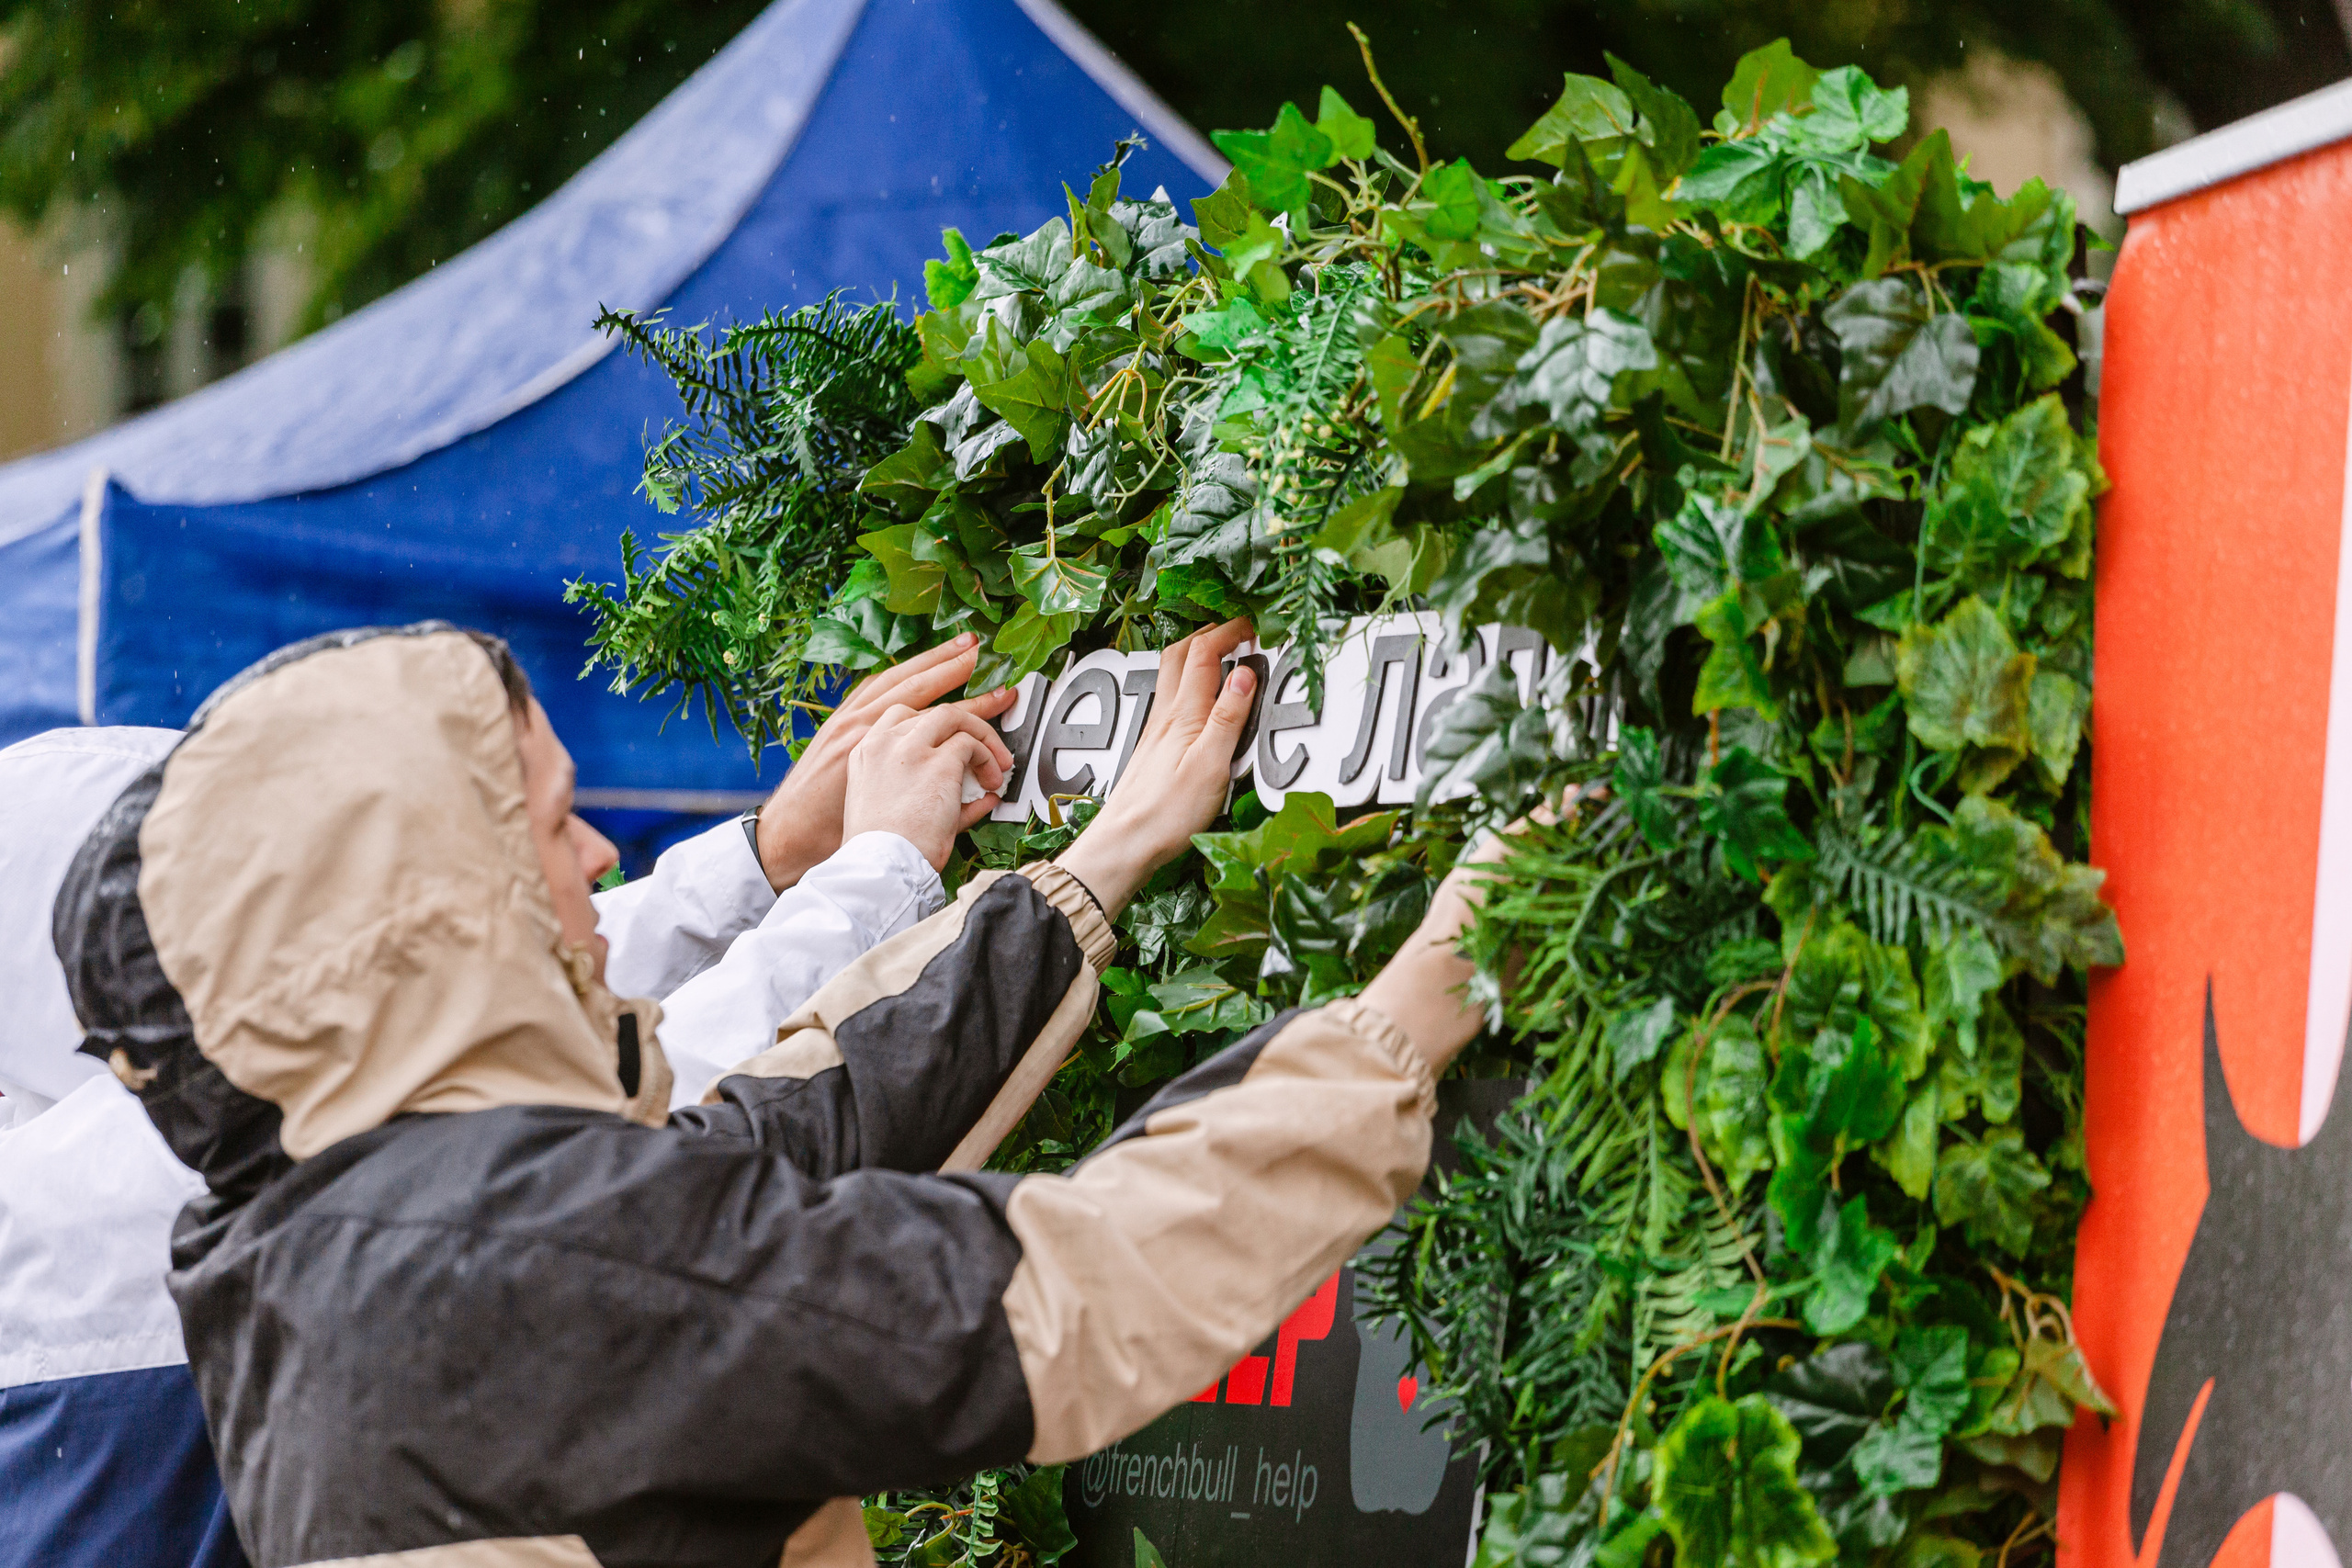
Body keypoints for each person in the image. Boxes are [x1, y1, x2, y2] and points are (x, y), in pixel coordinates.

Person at [55, 617, 1490, 1568]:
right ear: (442, 919)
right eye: (551, 824)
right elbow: (1079, 1293)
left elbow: (766, 1136)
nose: (603, 855)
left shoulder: (310, 1237)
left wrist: (1094, 865)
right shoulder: (545, 1263)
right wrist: (1420, 996)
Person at [0, 632, 1013, 1568]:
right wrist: (877, 871)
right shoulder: (117, 1199)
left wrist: (763, 857)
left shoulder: (77, 1148)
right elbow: (622, 1127)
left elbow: (462, 984)